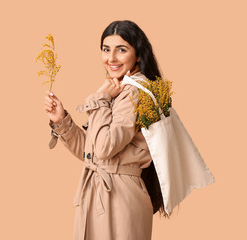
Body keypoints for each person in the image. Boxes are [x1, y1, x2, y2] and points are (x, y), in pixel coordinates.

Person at [44, 20, 166, 240]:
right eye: (106, 49)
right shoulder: (119, 88)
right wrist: (62, 121)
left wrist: (100, 99)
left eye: (121, 50)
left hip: (118, 198)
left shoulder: (134, 91)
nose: (111, 58)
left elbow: (104, 149)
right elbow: (93, 154)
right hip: (104, 193)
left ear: (138, 54)